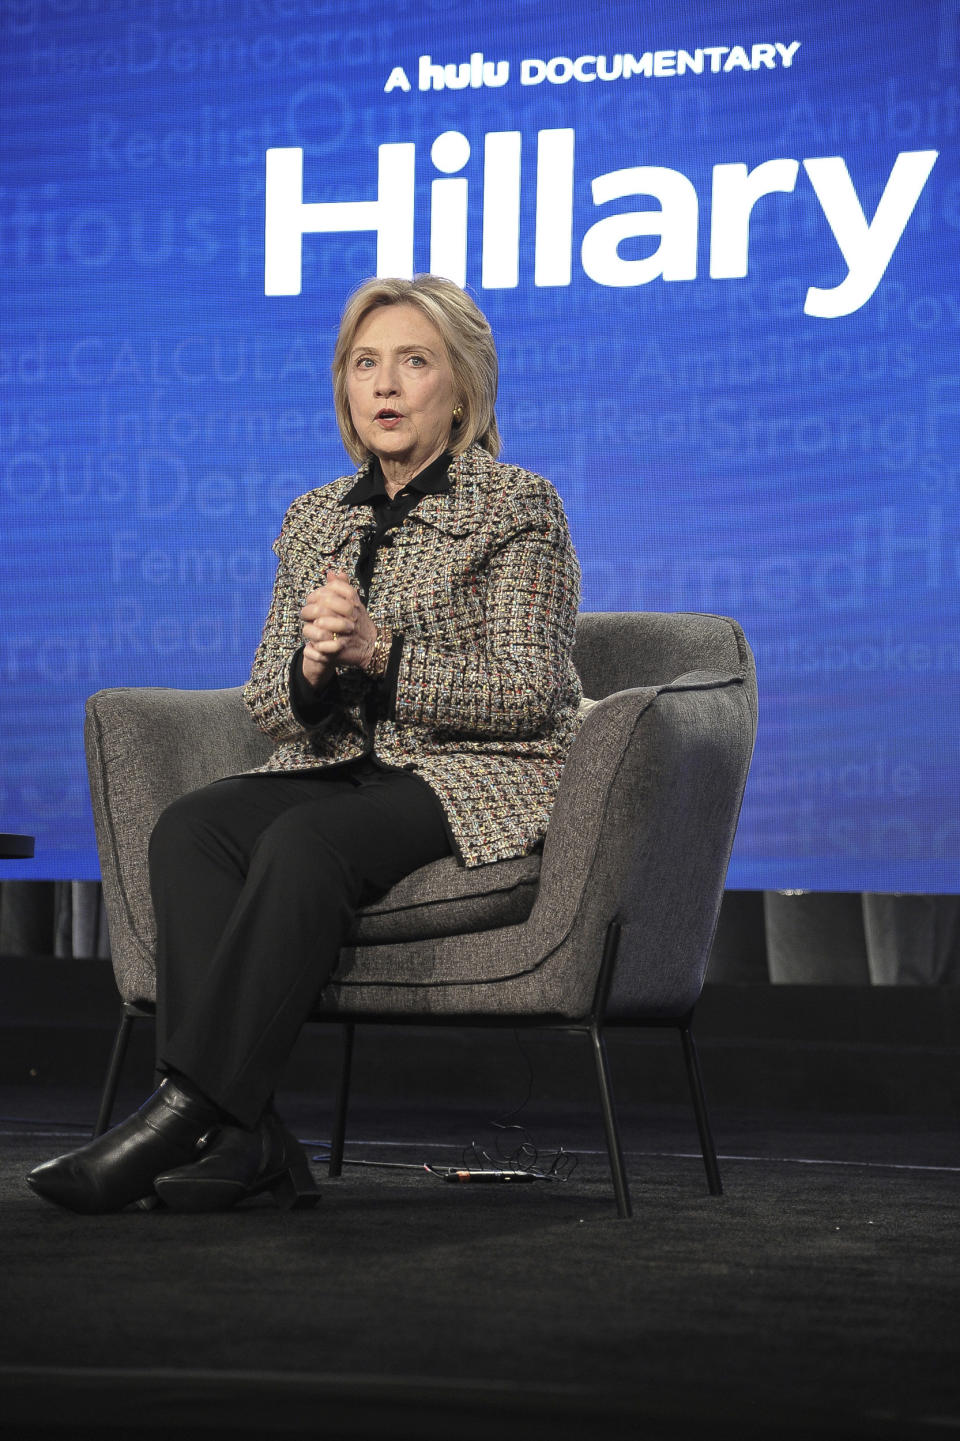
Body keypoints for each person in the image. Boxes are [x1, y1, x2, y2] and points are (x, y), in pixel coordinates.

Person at [27, 275, 583, 1215]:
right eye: (366, 364)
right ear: (345, 389)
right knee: (193, 828)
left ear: (464, 390)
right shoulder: (316, 514)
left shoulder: (519, 506)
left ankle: (182, 1110)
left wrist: (383, 653)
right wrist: (316, 672)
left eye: (415, 362)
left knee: (302, 845)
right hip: (340, 765)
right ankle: (247, 1136)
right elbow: (268, 701)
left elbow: (529, 693)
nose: (387, 386)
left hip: (470, 774)